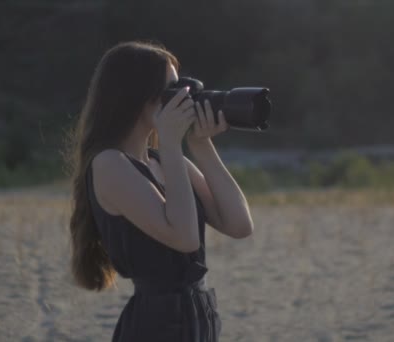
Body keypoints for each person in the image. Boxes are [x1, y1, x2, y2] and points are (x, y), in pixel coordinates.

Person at [66, 41, 254, 342]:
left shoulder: (162, 161)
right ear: (139, 96)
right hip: (157, 326)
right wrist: (170, 143)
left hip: (199, 317)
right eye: (172, 90)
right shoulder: (109, 164)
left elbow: (239, 224)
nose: (183, 98)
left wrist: (201, 146)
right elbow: (184, 237)